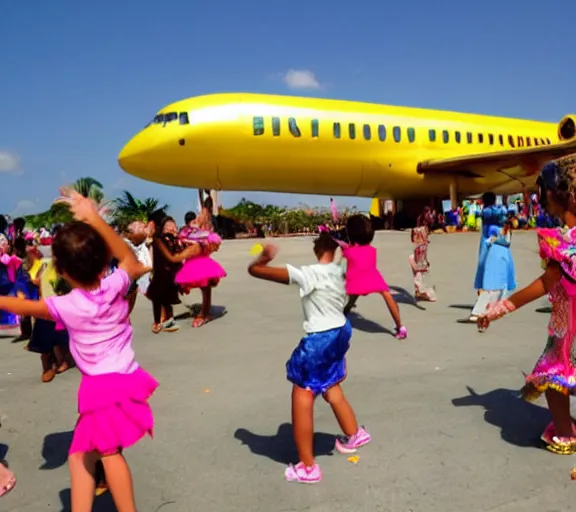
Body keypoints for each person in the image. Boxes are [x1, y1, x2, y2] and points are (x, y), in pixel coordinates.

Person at [0, 189, 157, 511]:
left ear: (62, 270)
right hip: (127, 379)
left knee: (108, 453)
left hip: (100, 388)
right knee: (80, 453)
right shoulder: (115, 285)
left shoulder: (64, 306)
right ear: (103, 262)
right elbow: (130, 261)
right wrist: (93, 217)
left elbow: (19, 305)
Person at [248, 234, 370, 483]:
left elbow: (256, 271)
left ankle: (307, 467)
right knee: (330, 383)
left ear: (318, 247)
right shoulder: (340, 271)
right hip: (341, 332)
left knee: (302, 393)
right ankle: (354, 433)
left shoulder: (309, 273)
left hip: (320, 338)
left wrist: (263, 257)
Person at [478, 155, 576, 458]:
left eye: (545, 190)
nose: (542, 196)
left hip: (567, 326)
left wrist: (500, 307)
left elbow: (546, 283)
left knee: (553, 374)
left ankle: (565, 434)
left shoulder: (561, 243)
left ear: (561, 195)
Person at [340, 214, 407, 339]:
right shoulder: (372, 250)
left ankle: (343, 314)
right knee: (387, 295)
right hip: (373, 278)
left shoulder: (349, 251)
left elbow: (345, 254)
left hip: (356, 281)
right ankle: (400, 326)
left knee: (351, 297)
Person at [466, 192, 514, 323]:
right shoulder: (502, 210)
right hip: (502, 242)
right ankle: (498, 301)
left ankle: (481, 306)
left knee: (485, 270)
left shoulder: (486, 211)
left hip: (488, 242)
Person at [409, 208, 436, 302]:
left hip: (416, 252)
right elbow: (424, 243)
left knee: (417, 273)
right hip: (422, 253)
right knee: (422, 273)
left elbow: (413, 241)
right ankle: (423, 292)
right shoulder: (425, 229)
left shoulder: (414, 230)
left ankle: (418, 291)